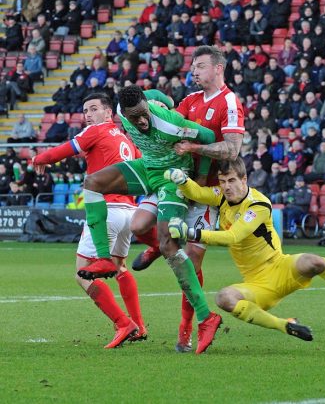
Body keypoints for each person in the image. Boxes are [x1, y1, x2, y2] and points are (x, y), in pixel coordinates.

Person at [164, 158, 325, 342]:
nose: (226, 187)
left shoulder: (259, 204)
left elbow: (232, 237)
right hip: (256, 284)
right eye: (223, 181)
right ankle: (285, 325)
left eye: (232, 181)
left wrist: (191, 233)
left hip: (280, 266)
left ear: (244, 179)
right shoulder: (221, 196)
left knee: (313, 261)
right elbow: (197, 193)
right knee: (224, 298)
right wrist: (182, 181)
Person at [73, 85, 223, 355]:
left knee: (168, 245)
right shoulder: (122, 109)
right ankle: (105, 258)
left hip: (173, 175)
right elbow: (156, 95)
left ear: (147, 108)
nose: (141, 121)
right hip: (147, 167)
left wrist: (200, 177)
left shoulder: (170, 124)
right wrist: (164, 98)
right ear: (123, 115)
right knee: (93, 183)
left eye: (144, 115)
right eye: (134, 118)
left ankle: (206, 317)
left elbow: (209, 134)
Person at [130, 46, 245, 353]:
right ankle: (158, 245)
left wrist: (196, 148)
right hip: (175, 183)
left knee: (191, 261)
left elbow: (232, 149)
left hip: (207, 192)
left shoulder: (229, 101)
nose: (194, 72)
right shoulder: (190, 100)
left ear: (219, 69)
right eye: (193, 67)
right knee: (138, 224)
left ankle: (185, 330)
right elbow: (169, 126)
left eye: (201, 66)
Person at [31, 93, 147, 349]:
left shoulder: (96, 131)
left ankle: (123, 323)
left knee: (82, 275)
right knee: (120, 268)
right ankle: (139, 325)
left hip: (105, 210)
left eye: (94, 109)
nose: (89, 115)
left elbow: (63, 150)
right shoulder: (126, 139)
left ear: (109, 113)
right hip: (130, 211)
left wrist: (39, 159)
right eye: (85, 111)